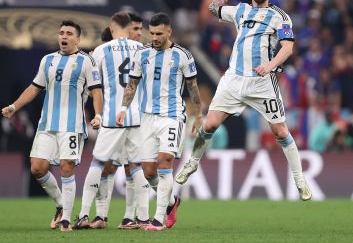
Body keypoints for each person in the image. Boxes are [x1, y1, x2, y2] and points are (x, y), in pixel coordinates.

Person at [175, 0, 312, 201]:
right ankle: (192, 163)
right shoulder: (240, 10)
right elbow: (212, 7)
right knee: (209, 125)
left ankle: (299, 178)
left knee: (280, 131)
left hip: (262, 83)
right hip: (233, 80)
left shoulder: (280, 17)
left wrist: (270, 65)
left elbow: (287, 48)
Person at [1, 20, 103, 231]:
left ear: (78, 38)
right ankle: (60, 205)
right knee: (38, 168)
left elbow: (96, 91)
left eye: (68, 33)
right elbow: (34, 87)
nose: (64, 36)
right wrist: (14, 106)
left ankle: (66, 218)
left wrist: (98, 114)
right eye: (61, 33)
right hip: (47, 124)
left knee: (66, 168)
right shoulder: (47, 60)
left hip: (72, 125)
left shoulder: (86, 61)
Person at [117, 12, 202, 231]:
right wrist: (124, 108)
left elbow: (193, 87)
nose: (154, 37)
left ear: (169, 31)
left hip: (172, 116)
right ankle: (172, 202)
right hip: (147, 117)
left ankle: (158, 219)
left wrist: (199, 115)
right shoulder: (142, 54)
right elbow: (132, 83)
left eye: (159, 33)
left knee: (165, 161)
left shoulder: (183, 56)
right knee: (148, 171)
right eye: (151, 33)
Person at [73, 12, 152, 230]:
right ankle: (141, 218)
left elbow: (93, 86)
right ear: (129, 29)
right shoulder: (143, 49)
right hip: (137, 116)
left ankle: (82, 215)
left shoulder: (101, 51)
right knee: (136, 166)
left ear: (111, 27)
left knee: (98, 162)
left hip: (112, 116)